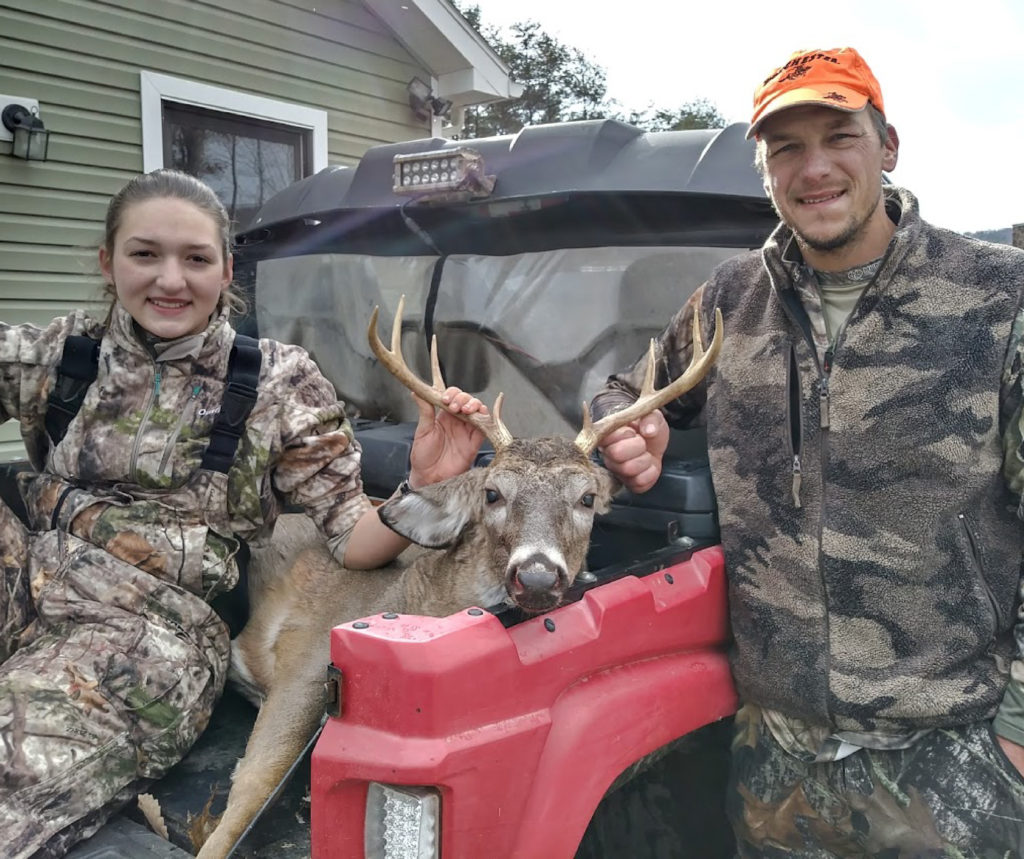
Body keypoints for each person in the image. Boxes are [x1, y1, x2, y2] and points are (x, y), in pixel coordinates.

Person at [592, 46, 1024, 855]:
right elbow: (624, 388)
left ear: (887, 146)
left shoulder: (1002, 298)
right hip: (775, 763)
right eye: (786, 147)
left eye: (839, 136)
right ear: (763, 168)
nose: (814, 168)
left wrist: (1017, 737)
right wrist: (625, 424)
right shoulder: (730, 298)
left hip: (956, 756)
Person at [0, 168, 486, 857]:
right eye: (145, 254)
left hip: (147, 626)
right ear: (108, 264)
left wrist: (422, 482)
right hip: (33, 571)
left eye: (195, 259)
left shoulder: (279, 383)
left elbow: (352, 534)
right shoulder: (61, 354)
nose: (171, 279)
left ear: (227, 270)